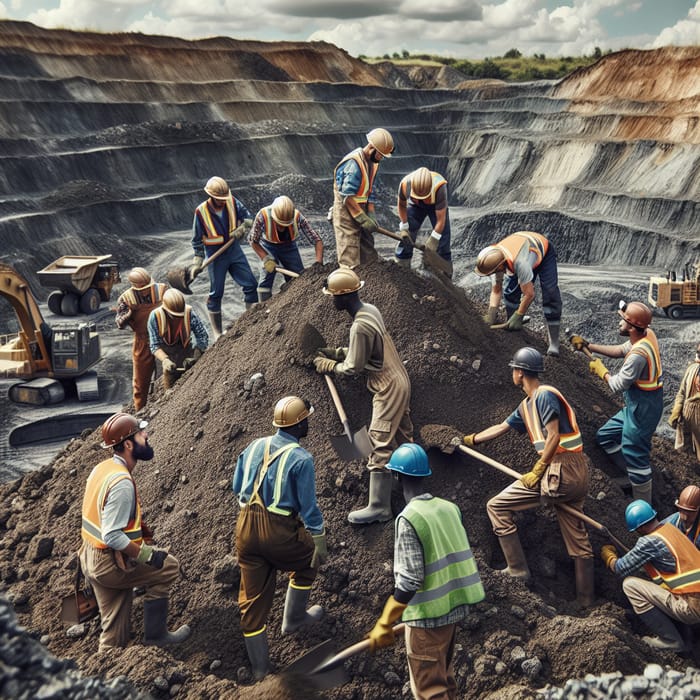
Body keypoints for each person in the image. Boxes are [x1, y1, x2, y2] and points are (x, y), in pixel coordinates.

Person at [461, 347, 594, 605]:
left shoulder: (544, 396)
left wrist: (538, 470)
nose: (512, 373)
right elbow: (502, 427)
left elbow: (553, 436)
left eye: (514, 369)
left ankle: (518, 569)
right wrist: (472, 439)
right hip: (578, 472)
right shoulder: (526, 405)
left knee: (496, 506)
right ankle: (586, 600)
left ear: (520, 372)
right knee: (578, 540)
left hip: (560, 471)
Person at [367, 443, 484, 700]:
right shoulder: (448, 508)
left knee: (429, 691)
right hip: (452, 613)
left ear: (396, 477)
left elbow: (409, 580)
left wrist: (385, 622)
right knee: (445, 681)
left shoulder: (409, 518)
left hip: (426, 621)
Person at [232, 396, 327, 680]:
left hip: (245, 529)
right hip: (279, 531)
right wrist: (318, 536)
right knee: (309, 560)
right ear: (299, 424)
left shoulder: (253, 446)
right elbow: (308, 507)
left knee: (251, 601)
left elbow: (238, 486)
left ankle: (261, 670)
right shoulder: (302, 459)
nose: (309, 421)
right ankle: (295, 619)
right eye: (306, 418)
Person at [79, 412, 190, 651]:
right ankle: (157, 635)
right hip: (108, 563)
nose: (146, 435)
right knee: (168, 566)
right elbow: (111, 535)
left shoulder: (102, 469)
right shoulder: (121, 483)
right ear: (128, 444)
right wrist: (146, 556)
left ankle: (108, 670)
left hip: (90, 558)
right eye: (141, 433)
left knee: (114, 637)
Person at [314, 267, 413, 525]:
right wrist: (338, 352)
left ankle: (379, 507)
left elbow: (354, 368)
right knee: (402, 437)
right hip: (399, 379)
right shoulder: (370, 310)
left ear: (344, 297)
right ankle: (410, 493)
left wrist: (331, 365)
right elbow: (366, 351)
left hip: (387, 386)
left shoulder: (359, 326)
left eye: (333, 296)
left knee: (378, 442)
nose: (332, 300)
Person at [572, 300, 663, 504]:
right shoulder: (646, 334)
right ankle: (632, 474)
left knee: (634, 450)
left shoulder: (638, 357)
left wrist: (601, 371)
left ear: (632, 327)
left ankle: (643, 507)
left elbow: (617, 385)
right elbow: (621, 349)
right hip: (638, 404)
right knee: (605, 436)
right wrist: (589, 346)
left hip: (643, 408)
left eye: (622, 321)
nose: (618, 324)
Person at [601, 499, 700, 652]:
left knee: (630, 585)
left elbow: (620, 568)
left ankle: (671, 641)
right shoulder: (671, 528)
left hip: (692, 608)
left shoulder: (649, 542)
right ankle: (683, 630)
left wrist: (609, 557)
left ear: (640, 528)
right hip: (695, 598)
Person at [475, 231, 562, 356]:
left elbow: (529, 294)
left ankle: (554, 342)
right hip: (521, 251)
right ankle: (513, 324)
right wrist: (491, 315)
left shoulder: (520, 264)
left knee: (550, 294)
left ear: (500, 266)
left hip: (542, 252)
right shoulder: (495, 258)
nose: (490, 275)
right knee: (510, 292)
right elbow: (496, 289)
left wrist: (519, 314)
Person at [191, 176, 257, 337]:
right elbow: (196, 240)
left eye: (223, 198)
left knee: (251, 284)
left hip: (233, 250)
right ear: (211, 196)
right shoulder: (201, 212)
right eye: (219, 199)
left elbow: (249, 218)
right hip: (215, 255)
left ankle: (252, 323)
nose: (222, 201)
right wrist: (197, 262)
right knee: (216, 293)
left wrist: (242, 228)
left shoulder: (233, 202)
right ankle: (217, 332)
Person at [332, 128, 394, 268]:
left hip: (361, 208)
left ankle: (371, 278)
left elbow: (369, 191)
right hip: (346, 211)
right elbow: (347, 197)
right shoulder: (353, 164)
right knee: (350, 248)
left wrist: (370, 214)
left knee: (368, 248)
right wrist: (361, 217)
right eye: (381, 154)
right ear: (372, 147)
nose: (382, 158)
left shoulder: (373, 163)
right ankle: (349, 281)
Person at [249, 195, 323, 302]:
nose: (282, 227)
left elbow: (317, 240)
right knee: (265, 279)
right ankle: (263, 310)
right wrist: (265, 258)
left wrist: (318, 263)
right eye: (280, 224)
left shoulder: (298, 217)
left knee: (298, 278)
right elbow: (253, 241)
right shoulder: (263, 216)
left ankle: (297, 303)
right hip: (268, 246)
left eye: (286, 224)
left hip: (289, 247)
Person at [114, 267, 167, 411]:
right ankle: (140, 411)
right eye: (142, 289)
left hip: (164, 339)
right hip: (142, 340)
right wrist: (128, 315)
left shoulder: (162, 290)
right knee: (140, 382)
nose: (145, 291)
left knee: (167, 376)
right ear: (134, 287)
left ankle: (166, 408)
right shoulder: (126, 299)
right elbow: (119, 322)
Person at [394, 167, 452, 274]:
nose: (422, 198)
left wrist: (434, 239)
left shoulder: (439, 187)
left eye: (424, 197)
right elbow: (401, 205)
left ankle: (443, 272)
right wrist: (404, 227)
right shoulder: (405, 184)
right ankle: (402, 264)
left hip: (435, 205)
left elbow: (441, 219)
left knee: (442, 238)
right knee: (408, 234)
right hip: (415, 206)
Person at [147, 288, 208, 390]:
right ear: (166, 310)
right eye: (174, 316)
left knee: (190, 383)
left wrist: (197, 355)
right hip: (164, 351)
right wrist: (165, 360)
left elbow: (202, 335)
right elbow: (154, 345)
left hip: (184, 349)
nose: (177, 318)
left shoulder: (189, 313)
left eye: (180, 315)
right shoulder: (155, 317)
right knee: (162, 385)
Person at [668, 343, 700, 460]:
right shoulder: (692, 369)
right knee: (685, 453)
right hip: (687, 414)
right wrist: (676, 412)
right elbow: (681, 393)